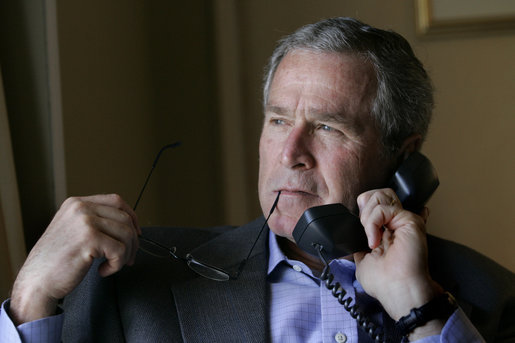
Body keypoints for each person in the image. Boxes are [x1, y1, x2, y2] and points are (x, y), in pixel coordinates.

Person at [1, 17, 513, 342]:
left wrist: (419, 309)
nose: (290, 154)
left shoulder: (488, 294)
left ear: (405, 160)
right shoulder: (132, 279)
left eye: (328, 127)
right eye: (278, 120)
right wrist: (30, 300)